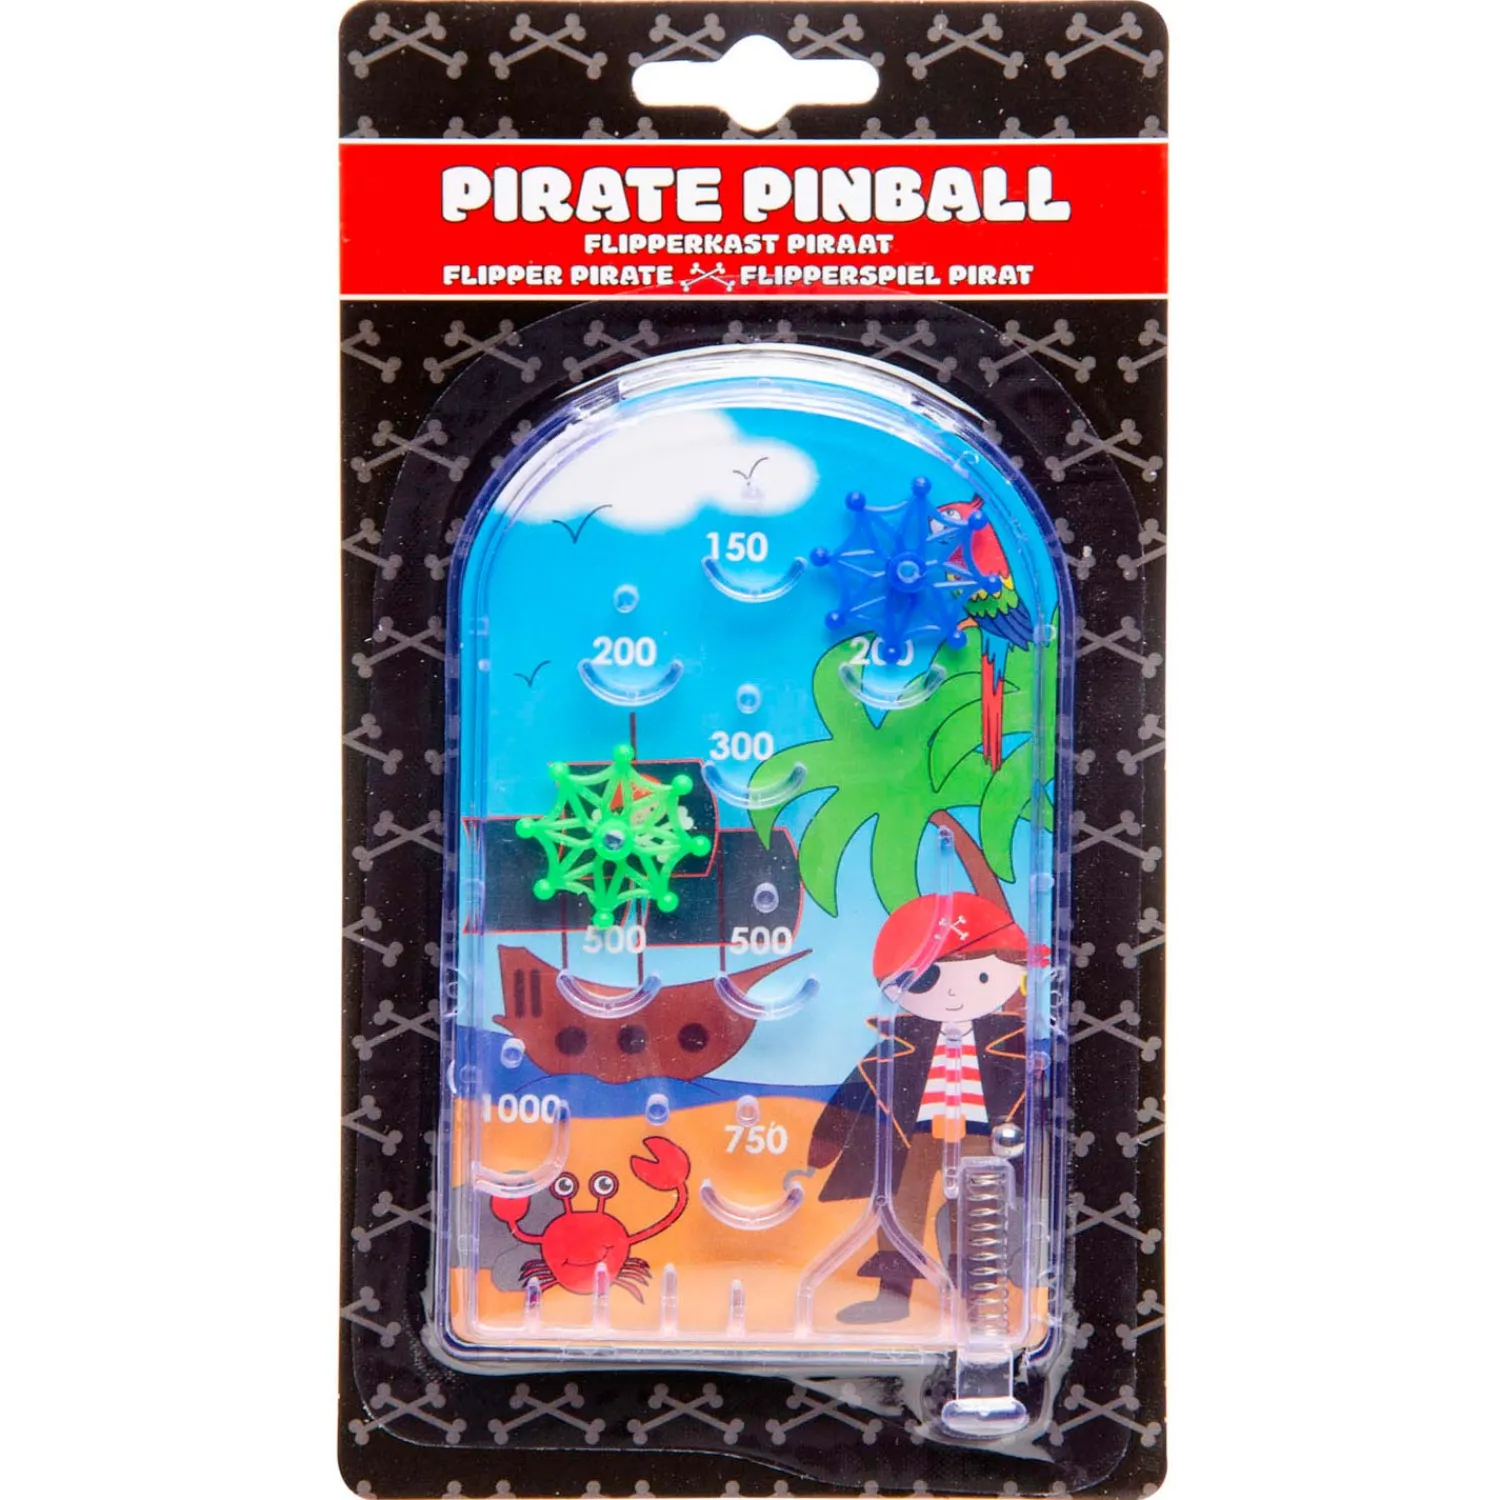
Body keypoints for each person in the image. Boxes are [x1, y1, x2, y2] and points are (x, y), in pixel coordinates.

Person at [808, 890, 1038, 1324]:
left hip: (980, 1140)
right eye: (928, 979)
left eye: (981, 976)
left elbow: (1030, 1093)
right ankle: (893, 1295)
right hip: (912, 1138)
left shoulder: (1012, 1043)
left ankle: (978, 1301)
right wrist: (826, 1140)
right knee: (899, 1209)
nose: (951, 992)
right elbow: (858, 1090)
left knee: (977, 1214)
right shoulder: (899, 1044)